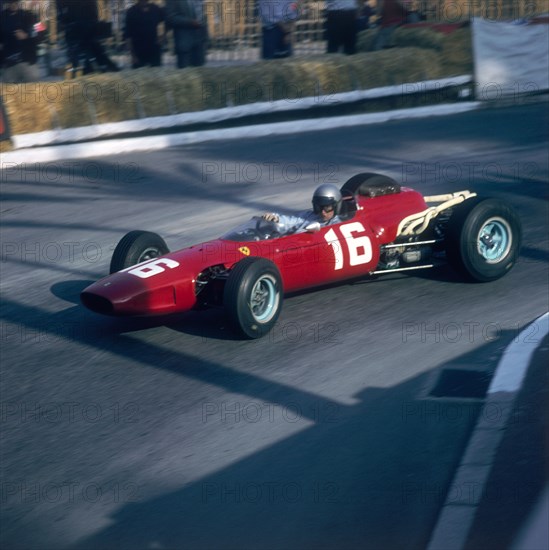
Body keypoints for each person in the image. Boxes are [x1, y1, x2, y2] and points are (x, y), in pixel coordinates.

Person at [59, 0, 119, 75]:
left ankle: (93, 66)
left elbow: (60, 9)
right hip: (81, 26)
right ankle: (102, 64)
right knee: (91, 42)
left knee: (88, 41)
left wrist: (63, 21)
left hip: (79, 26)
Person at [262, 184, 344, 235]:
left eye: (327, 208)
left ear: (336, 206)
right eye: (319, 207)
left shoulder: (338, 224)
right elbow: (292, 221)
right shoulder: (309, 216)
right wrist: (277, 219)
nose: (323, 212)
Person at [0, 0, 40, 83]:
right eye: (11, 2)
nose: (13, 4)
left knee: (32, 92)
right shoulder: (2, 17)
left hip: (27, 62)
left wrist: (27, 36)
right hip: (9, 65)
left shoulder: (29, 15)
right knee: (11, 94)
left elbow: (41, 34)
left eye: (15, 2)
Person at [165, 0, 207, 68]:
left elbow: (203, 16)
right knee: (185, 75)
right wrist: (190, 22)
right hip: (184, 45)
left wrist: (205, 38)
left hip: (199, 44)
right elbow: (171, 18)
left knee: (200, 74)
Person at [124, 0, 165, 69]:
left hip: (154, 52)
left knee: (156, 77)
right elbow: (128, 36)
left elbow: (165, 23)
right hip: (138, 53)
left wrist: (162, 37)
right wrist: (133, 56)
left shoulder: (156, 9)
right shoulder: (131, 12)